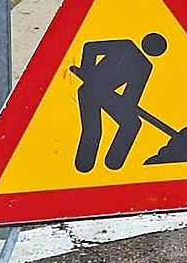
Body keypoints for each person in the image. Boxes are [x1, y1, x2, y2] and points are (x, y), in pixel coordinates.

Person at [70, 33, 168, 173]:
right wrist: (88, 71)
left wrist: (123, 103)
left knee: (132, 123)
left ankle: (113, 163)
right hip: (89, 91)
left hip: (107, 97)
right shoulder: (125, 46)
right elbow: (91, 47)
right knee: (94, 130)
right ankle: (84, 165)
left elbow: (131, 97)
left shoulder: (145, 66)